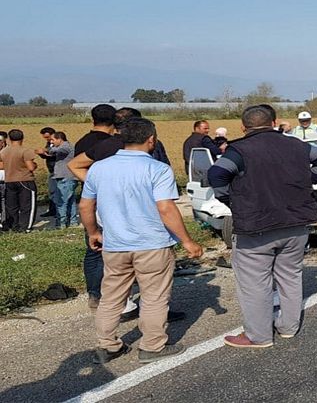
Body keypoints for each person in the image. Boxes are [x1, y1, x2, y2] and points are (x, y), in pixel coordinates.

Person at [208, 104, 317, 348]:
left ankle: (258, 336)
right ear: (275, 123)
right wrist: (307, 181)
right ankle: (288, 327)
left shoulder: (240, 150)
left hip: (256, 226)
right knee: (290, 275)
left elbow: (217, 175)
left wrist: (231, 199)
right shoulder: (297, 144)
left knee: (255, 282)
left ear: (243, 127)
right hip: (296, 223)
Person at [80, 117, 203, 364]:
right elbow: (166, 209)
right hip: (152, 244)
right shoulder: (157, 169)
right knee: (154, 296)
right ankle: (152, 346)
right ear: (151, 139)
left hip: (114, 245)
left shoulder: (99, 168)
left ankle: (108, 345)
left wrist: (93, 232)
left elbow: (86, 205)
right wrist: (188, 241)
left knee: (112, 296)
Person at [72, 104, 116, 308]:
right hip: (108, 200)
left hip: (89, 200)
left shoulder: (82, 141)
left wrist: (91, 184)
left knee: (93, 247)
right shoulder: (110, 144)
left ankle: (94, 294)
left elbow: (75, 166)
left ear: (92, 119)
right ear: (114, 122)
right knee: (114, 248)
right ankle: (113, 295)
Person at [0, 129, 37, 232]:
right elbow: (30, 167)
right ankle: (26, 227)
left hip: (9, 180)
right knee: (27, 205)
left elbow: (1, 166)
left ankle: (13, 225)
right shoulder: (25, 150)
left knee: (12, 205)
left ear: (9, 138)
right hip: (25, 179)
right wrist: (35, 165)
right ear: (22, 138)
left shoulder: (4, 151)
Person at [49, 132, 79, 228]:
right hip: (68, 177)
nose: (51, 142)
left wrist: (48, 149)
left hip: (65, 178)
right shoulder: (67, 147)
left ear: (60, 139)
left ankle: (61, 223)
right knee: (70, 201)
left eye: (53, 140)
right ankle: (72, 222)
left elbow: (56, 150)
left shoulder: (66, 146)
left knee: (61, 201)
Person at [36, 127, 57, 217]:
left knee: (57, 192)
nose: (47, 139)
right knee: (52, 191)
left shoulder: (58, 143)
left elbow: (55, 154)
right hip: (51, 169)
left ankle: (59, 212)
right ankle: (52, 210)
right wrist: (41, 154)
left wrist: (46, 153)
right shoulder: (49, 143)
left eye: (47, 137)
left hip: (57, 170)